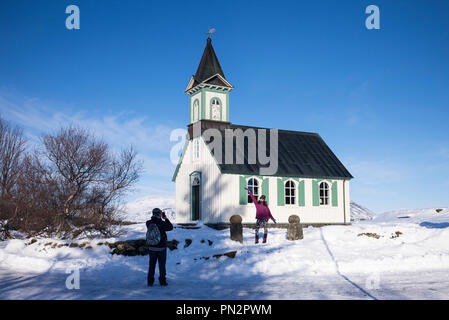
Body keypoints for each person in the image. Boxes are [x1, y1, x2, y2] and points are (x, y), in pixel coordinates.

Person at [146, 208, 173, 286]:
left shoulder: (148, 223)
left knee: (151, 265)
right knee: (161, 265)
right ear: (159, 214)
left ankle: (150, 281)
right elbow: (170, 227)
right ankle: (162, 281)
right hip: (161, 248)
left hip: (151, 247)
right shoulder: (162, 223)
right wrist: (165, 218)